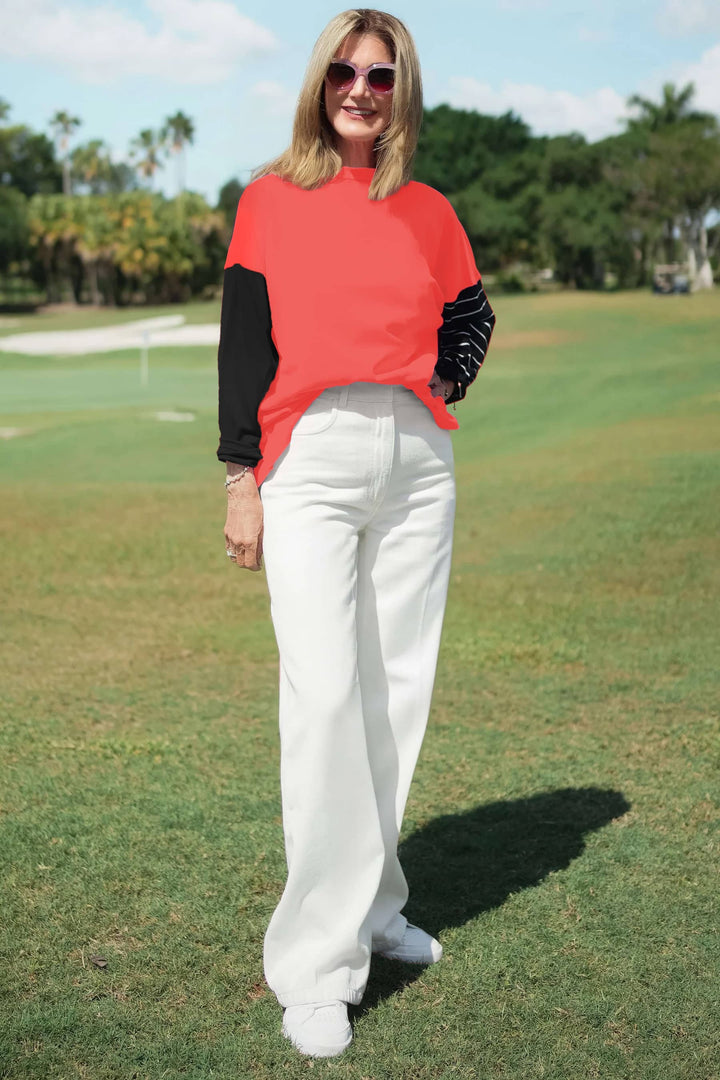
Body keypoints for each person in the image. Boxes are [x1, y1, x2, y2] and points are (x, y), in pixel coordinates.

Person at [216, 7, 495, 1059]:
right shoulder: (267, 201)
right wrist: (241, 479)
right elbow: (244, 347)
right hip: (311, 461)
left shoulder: (430, 209)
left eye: (382, 76)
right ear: (319, 82)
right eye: (345, 71)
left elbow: (472, 314)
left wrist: (441, 385)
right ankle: (316, 968)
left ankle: (376, 907)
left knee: (395, 695)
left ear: (401, 90)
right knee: (328, 696)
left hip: (417, 461)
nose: (361, 91)